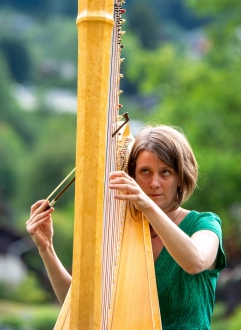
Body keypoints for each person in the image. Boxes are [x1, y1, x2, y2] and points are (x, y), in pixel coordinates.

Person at [26, 124, 226, 329]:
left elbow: (195, 262)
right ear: (132, 176)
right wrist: (46, 248)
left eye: (165, 172)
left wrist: (146, 205)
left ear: (181, 178)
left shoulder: (205, 224)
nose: (154, 183)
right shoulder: (120, 234)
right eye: (145, 171)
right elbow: (81, 308)